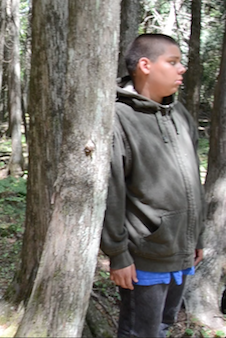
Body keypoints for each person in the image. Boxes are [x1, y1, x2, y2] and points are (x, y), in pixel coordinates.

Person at [101, 33, 205, 338]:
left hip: (181, 250)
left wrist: (196, 236)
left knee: (163, 326)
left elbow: (192, 181)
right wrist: (118, 254)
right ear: (145, 65)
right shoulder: (119, 117)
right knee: (139, 333)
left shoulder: (180, 114)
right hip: (144, 257)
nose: (181, 69)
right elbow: (112, 191)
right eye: (172, 62)